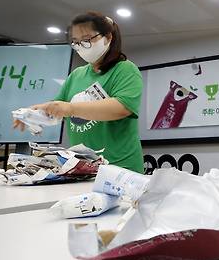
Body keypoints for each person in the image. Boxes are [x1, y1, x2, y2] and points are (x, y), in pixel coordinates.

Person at [13, 12, 144, 173]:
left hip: (120, 168)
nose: (81, 45)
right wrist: (32, 114)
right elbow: (57, 111)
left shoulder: (124, 69)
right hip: (84, 168)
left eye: (87, 39)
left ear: (108, 37)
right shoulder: (77, 75)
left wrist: (71, 108)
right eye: (76, 42)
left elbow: (121, 107)